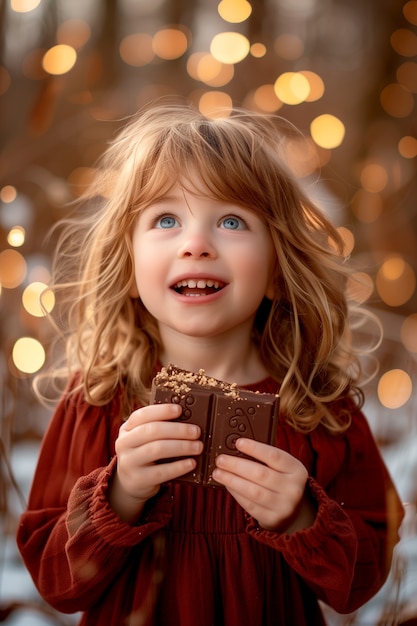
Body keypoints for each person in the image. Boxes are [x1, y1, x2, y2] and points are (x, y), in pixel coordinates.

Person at [17, 103, 404, 626]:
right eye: (166, 219)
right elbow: (55, 580)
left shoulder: (320, 410)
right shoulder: (98, 402)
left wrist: (301, 517)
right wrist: (121, 495)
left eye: (230, 220)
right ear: (128, 267)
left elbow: (363, 577)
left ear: (276, 270)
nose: (196, 245)